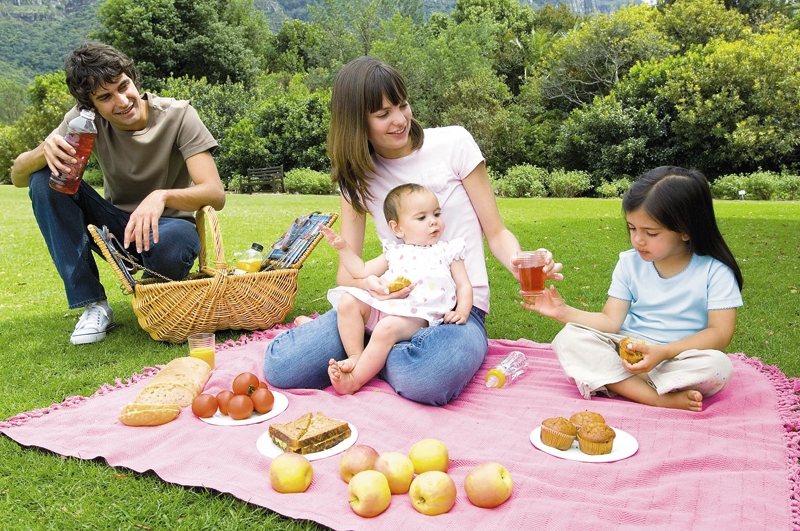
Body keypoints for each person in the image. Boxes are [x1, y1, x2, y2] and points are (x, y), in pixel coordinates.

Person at [263, 55, 562, 405]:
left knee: (428, 378)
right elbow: (349, 273)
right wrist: (371, 284)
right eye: (382, 114)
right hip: (383, 307)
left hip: (454, 310)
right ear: (356, 123)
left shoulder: (453, 144)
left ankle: (369, 357)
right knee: (282, 367)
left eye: (402, 105)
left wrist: (517, 261)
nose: (400, 120)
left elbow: (496, 232)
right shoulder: (357, 179)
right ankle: (372, 346)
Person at [10, 42, 225, 345]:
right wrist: (42, 152)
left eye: (124, 86)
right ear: (91, 105)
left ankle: (155, 283)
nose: (123, 101)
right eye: (105, 97)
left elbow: (215, 193)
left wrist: (161, 196)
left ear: (133, 79)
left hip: (169, 228)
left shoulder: (179, 116)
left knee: (174, 247)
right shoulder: (82, 121)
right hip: (115, 228)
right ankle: (93, 304)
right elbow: (18, 177)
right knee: (44, 178)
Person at [522, 166, 743, 412]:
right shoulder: (629, 263)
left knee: (719, 366)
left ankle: (618, 381)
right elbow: (610, 321)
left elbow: (720, 334)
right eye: (632, 228)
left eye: (650, 232)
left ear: (685, 230)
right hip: (628, 349)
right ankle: (657, 397)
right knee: (569, 338)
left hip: (679, 356)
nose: (637, 240)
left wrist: (664, 352)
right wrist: (564, 312)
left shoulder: (715, 272)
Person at [320, 183, 473, 395]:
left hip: (417, 315)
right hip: (385, 305)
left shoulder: (447, 250)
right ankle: (356, 355)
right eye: (422, 218)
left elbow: (464, 285)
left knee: (386, 328)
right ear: (397, 228)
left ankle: (354, 380)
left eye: (436, 214)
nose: (433, 221)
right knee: (347, 301)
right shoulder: (394, 251)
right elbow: (361, 270)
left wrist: (462, 311)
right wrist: (343, 248)